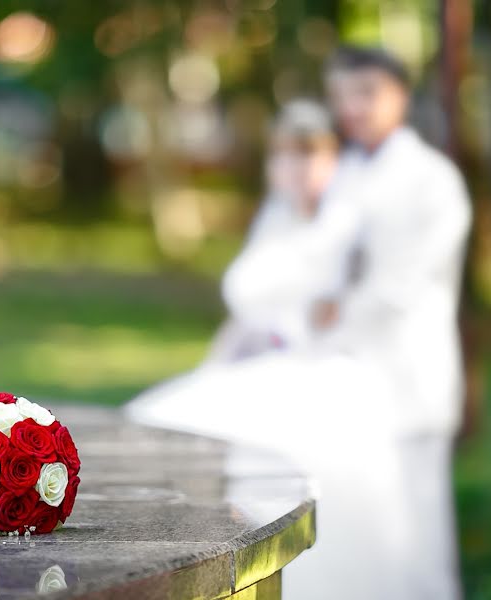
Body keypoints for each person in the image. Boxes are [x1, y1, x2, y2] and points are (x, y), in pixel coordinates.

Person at [126, 46, 471, 599]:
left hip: (401, 378)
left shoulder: (431, 181)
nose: (352, 108)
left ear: (399, 95)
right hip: (329, 367)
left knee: (414, 545)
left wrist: (322, 311)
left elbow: (395, 289)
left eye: (366, 93)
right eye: (342, 96)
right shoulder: (345, 170)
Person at [203, 98, 338, 365]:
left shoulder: (341, 223)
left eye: (306, 153)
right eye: (282, 154)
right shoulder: (276, 217)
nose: (293, 166)